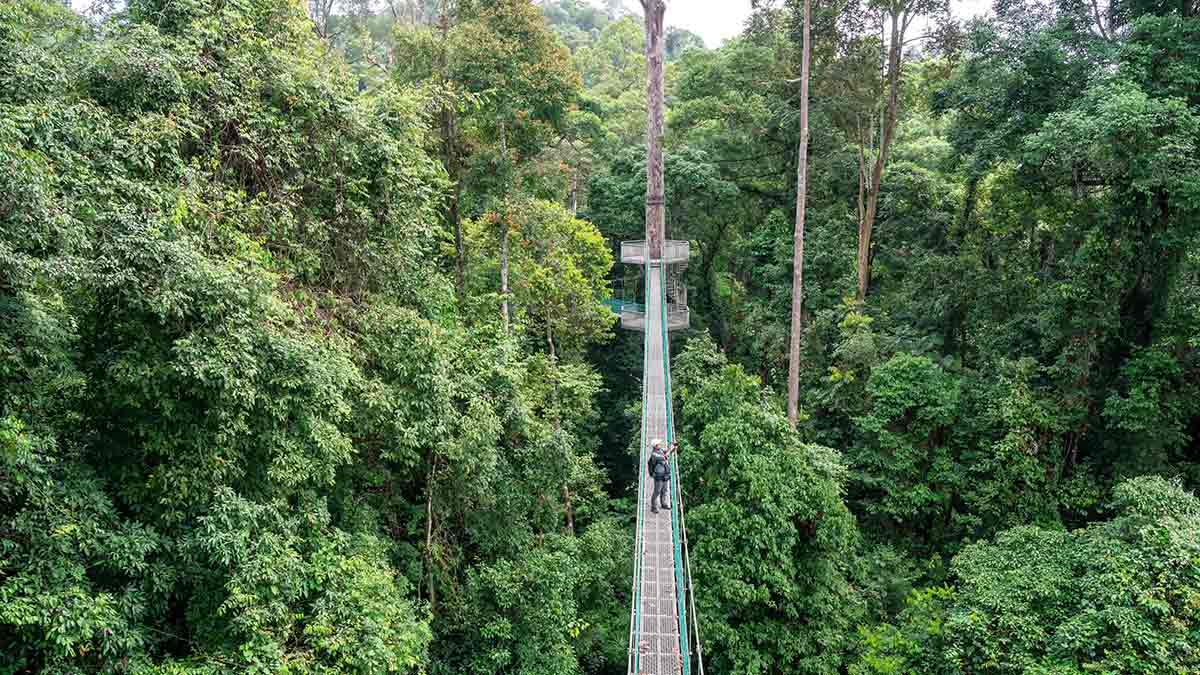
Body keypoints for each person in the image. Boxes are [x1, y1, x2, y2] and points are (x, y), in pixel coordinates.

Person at [647, 439, 671, 513]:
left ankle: (663, 504)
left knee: (664, 490)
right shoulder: (654, 454)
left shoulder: (660, 450)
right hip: (658, 475)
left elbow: (667, 451)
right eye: (659, 444)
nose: (660, 445)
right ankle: (653, 507)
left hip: (665, 474)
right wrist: (668, 452)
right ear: (655, 446)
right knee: (657, 491)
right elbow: (665, 457)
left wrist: (673, 447)